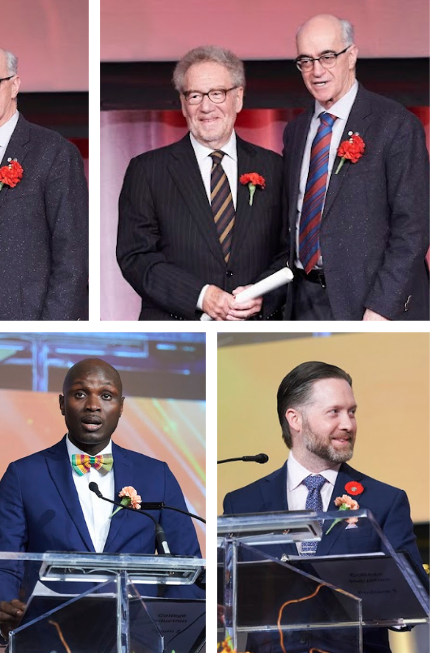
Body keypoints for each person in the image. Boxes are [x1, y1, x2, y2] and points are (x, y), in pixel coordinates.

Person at [0, 358, 201, 644]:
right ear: (62, 404)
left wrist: (174, 636)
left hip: (138, 641)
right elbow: (0, 563)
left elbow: (186, 567)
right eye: (80, 394)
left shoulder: (156, 475)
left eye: (106, 396)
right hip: (50, 639)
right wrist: (4, 605)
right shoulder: (24, 475)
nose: (93, 405)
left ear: (121, 407)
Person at [223, 361, 425, 653]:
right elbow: (232, 595)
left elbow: (412, 600)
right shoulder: (242, 502)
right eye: (334, 412)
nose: (348, 424)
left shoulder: (384, 500)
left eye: (352, 412)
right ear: (295, 419)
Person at [117, 45, 287, 321]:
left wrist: (263, 294)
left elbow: (289, 251)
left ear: (238, 98)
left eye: (217, 94)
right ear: (183, 104)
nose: (206, 107)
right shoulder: (147, 170)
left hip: (257, 331)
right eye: (195, 95)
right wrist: (201, 295)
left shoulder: (275, 167)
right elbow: (136, 256)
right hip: (179, 332)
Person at [283, 15, 429, 320]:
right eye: (306, 61)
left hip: (371, 304)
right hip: (303, 300)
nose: (316, 70)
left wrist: (382, 307)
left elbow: (413, 227)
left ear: (351, 56)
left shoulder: (395, 124)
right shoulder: (295, 130)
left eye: (327, 56)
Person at [0, 45, 88, 321]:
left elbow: (72, 258)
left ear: (15, 85)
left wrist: (51, 329)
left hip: (28, 321)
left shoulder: (53, 153)